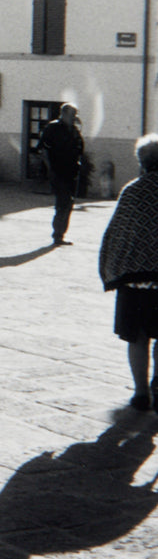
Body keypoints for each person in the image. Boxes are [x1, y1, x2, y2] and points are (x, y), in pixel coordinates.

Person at [99, 134, 158, 411]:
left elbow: (116, 234)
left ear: (141, 163)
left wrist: (111, 269)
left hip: (135, 281)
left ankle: (140, 392)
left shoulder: (132, 191)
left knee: (137, 337)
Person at [39, 103, 84, 246]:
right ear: (63, 114)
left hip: (72, 171)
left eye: (75, 114)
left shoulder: (74, 130)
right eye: (72, 114)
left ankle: (61, 234)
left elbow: (80, 149)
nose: (74, 117)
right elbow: (44, 150)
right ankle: (57, 235)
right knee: (62, 202)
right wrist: (50, 169)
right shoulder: (52, 128)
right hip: (58, 171)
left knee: (69, 204)